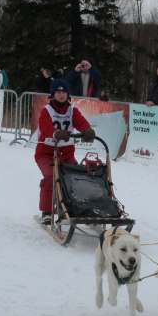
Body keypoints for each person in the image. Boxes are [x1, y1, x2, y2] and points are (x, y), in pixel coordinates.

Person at [35, 78, 95, 224]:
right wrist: (55, 133)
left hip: (66, 154)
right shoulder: (46, 111)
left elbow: (81, 122)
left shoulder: (72, 111)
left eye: (64, 92)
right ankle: (47, 212)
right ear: (53, 94)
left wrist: (87, 131)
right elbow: (45, 127)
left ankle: (70, 208)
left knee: (75, 177)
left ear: (68, 94)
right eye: (58, 92)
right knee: (51, 177)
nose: (61, 95)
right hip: (46, 153)